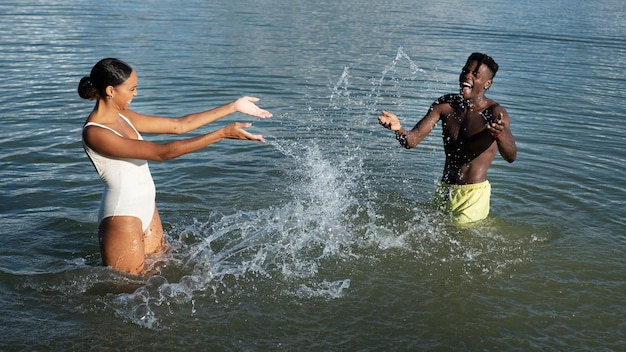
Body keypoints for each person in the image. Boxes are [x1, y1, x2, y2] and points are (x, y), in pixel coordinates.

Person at [78, 58, 272, 274]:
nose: (136, 94)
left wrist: (233, 107)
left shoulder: (124, 116)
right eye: (132, 89)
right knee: (129, 290)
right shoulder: (95, 132)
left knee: (161, 271)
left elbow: (179, 125)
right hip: (122, 215)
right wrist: (222, 134)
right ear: (110, 91)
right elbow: (161, 153)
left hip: (147, 207)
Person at [378, 53, 516, 224]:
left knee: (461, 239)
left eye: (475, 74)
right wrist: (398, 129)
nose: (467, 75)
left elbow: (511, 156)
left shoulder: (494, 113)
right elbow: (411, 141)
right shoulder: (446, 105)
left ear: (487, 84)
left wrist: (499, 134)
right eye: (465, 70)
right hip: (444, 190)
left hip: (473, 195)